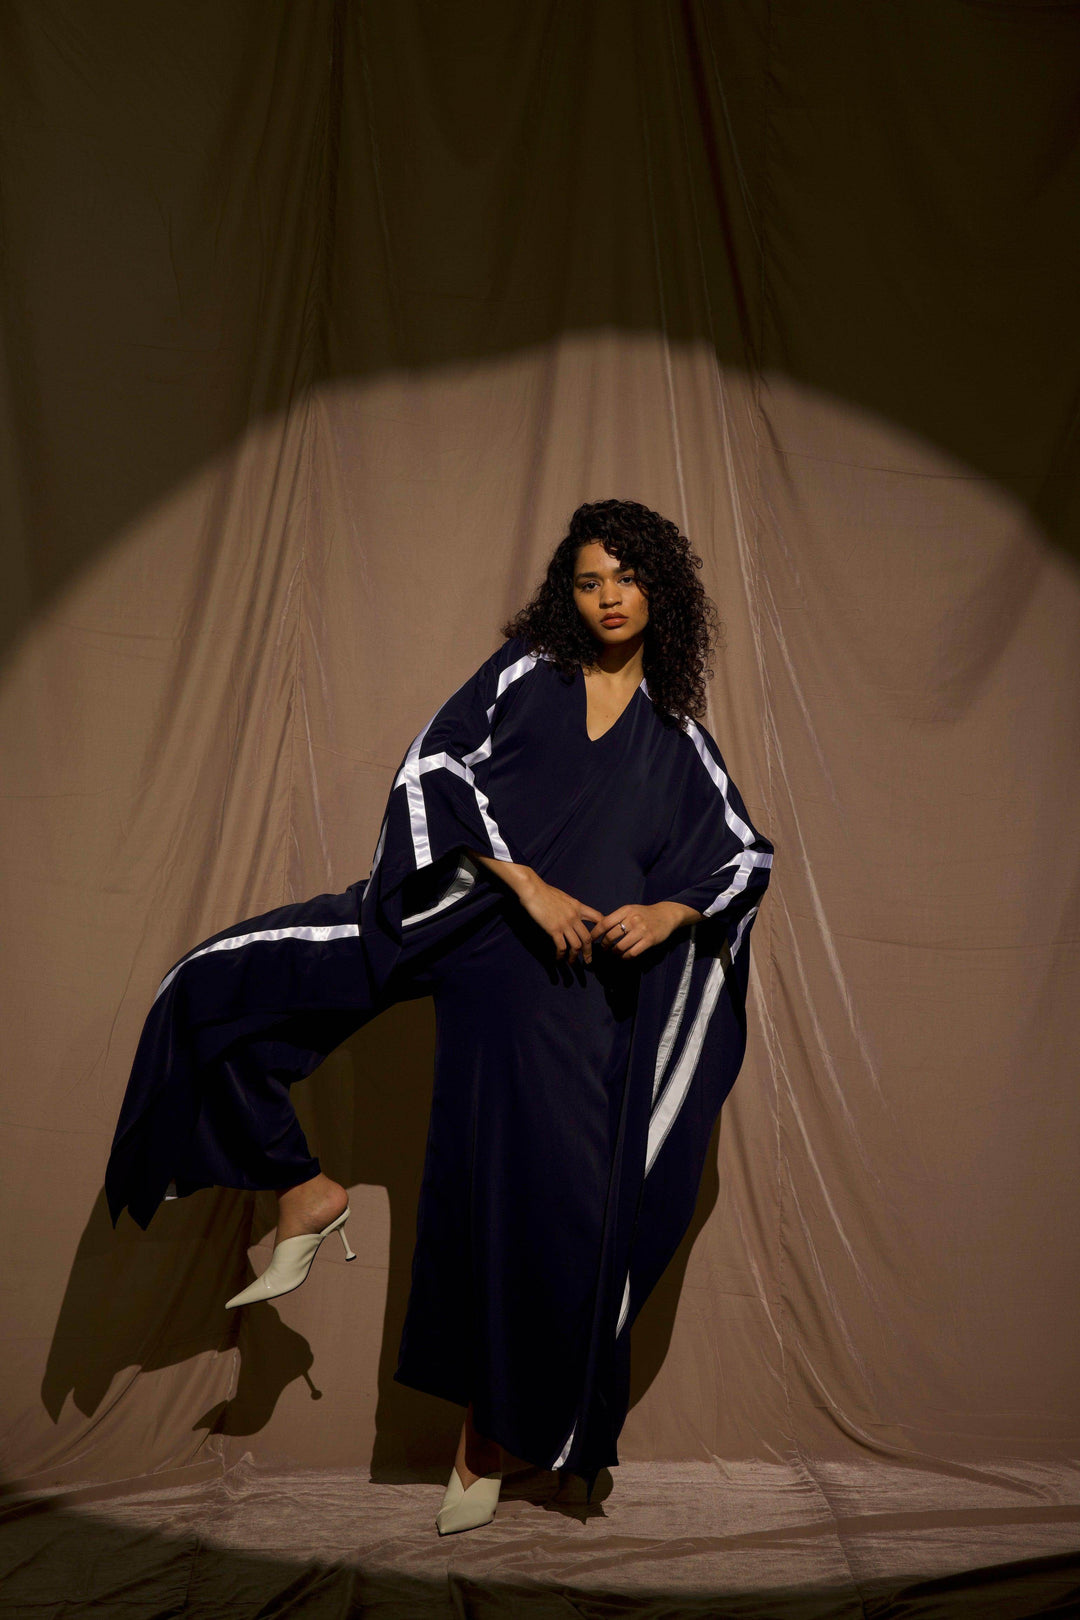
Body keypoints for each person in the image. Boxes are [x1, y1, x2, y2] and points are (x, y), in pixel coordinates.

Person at [105, 498, 773, 1535]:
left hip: (574, 1003)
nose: (608, 597)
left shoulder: (680, 740)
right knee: (219, 986)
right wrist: (524, 882)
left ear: (661, 592)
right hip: (467, 931)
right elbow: (433, 766)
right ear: (568, 592)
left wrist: (668, 911)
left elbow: (744, 857)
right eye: (589, 580)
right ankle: (302, 1187)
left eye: (628, 578)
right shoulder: (526, 674)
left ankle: (488, 1437)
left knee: (533, 1208)